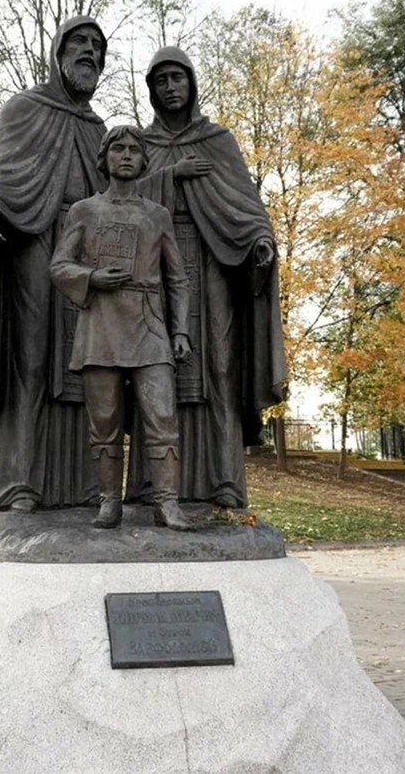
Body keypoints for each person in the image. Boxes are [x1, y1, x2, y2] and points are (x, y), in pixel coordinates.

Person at [0, 17, 108, 513]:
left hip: (85, 251)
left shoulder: (97, 129)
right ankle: (18, 482)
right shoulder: (25, 108)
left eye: (97, 46)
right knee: (31, 356)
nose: (89, 52)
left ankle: (85, 485)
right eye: (80, 42)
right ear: (58, 51)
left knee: (86, 362)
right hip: (33, 239)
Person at [128, 46, 287, 509]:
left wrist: (260, 239)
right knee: (154, 365)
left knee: (219, 362)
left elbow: (245, 204)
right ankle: (150, 483)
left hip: (213, 255)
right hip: (156, 264)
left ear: (192, 83)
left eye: (177, 78)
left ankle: (224, 479)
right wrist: (172, 175)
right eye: (161, 80)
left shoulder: (217, 140)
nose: (170, 87)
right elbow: (124, 197)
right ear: (152, 90)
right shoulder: (143, 145)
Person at [50, 126, 193, 530]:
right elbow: (59, 266)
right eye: (118, 149)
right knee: (104, 423)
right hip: (101, 326)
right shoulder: (84, 211)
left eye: (134, 149)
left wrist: (181, 331)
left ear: (144, 160)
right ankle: (109, 502)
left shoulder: (157, 215)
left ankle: (167, 503)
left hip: (149, 326)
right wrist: (91, 277)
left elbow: (177, 279)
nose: (126, 155)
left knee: (162, 417)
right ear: (105, 157)